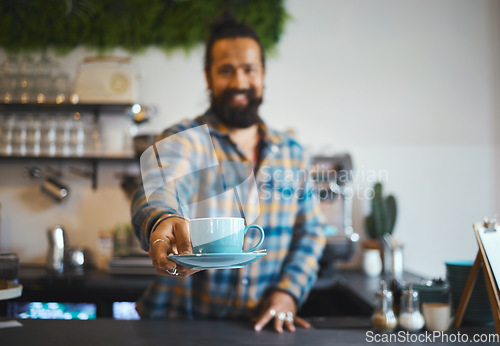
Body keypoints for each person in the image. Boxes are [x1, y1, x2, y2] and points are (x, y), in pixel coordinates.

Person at [131, 11, 326, 333]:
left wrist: (287, 294)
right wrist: (161, 219)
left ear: (263, 74)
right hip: (177, 327)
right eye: (226, 71)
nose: (239, 82)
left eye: (249, 69)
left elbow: (311, 234)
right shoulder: (183, 140)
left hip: (261, 329)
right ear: (208, 77)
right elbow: (156, 189)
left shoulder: (293, 153)